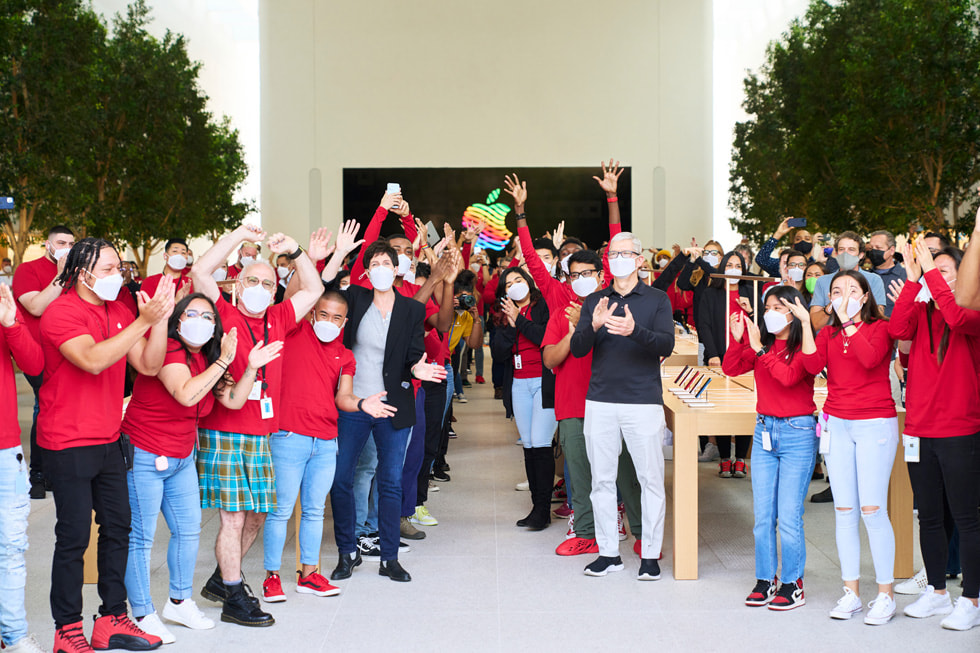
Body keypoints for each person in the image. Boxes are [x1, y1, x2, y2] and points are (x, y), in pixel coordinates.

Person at [39, 237, 174, 652]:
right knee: (74, 536)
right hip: (67, 441)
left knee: (119, 528)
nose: (120, 276)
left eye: (120, 268)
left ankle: (112, 618)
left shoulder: (118, 309)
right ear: (83, 273)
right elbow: (93, 360)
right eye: (111, 269)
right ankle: (66, 629)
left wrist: (161, 317)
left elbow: (149, 365)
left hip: (109, 439)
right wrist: (141, 320)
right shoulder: (60, 312)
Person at [122, 293, 280, 643]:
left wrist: (250, 366)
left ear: (215, 327)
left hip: (181, 457)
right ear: (177, 321)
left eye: (208, 316)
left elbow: (234, 400)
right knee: (142, 537)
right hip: (145, 453)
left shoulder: (208, 358)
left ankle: (179, 600)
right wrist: (225, 360)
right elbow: (187, 394)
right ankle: (143, 612)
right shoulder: (171, 350)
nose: (200, 321)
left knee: (188, 531)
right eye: (191, 313)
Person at [191, 223, 326, 627]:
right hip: (225, 427)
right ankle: (234, 595)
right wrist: (235, 238)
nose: (259, 288)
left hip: (262, 431)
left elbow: (315, 290)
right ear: (237, 283)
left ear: (274, 290)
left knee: (257, 514)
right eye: (252, 280)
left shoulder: (280, 316)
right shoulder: (224, 311)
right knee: (233, 516)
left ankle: (221, 578)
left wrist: (296, 251)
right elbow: (200, 272)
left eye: (268, 283)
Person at [320, 227, 446, 584]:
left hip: (393, 405)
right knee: (342, 478)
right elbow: (325, 292)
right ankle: (347, 552)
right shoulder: (356, 299)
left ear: (396, 270)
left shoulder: (410, 308)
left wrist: (417, 367)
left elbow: (411, 353)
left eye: (385, 263)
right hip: (355, 402)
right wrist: (337, 255)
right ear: (367, 270)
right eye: (373, 263)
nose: (379, 268)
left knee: (390, 482)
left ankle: (389, 557)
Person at [262, 290, 389, 601]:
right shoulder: (294, 333)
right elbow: (298, 293)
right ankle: (272, 577)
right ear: (311, 314)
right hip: (289, 436)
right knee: (280, 510)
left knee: (315, 511)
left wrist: (361, 404)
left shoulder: (345, 355)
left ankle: (309, 574)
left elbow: (342, 398)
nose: (329, 322)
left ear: (344, 322)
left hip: (326, 440)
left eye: (336, 317)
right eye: (323, 314)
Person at [570, 231, 674, 580]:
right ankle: (608, 553)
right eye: (612, 254)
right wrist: (595, 324)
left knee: (650, 480)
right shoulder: (595, 300)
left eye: (624, 253)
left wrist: (635, 331)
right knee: (601, 480)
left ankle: (650, 555)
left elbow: (666, 344)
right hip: (599, 400)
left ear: (639, 259)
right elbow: (580, 348)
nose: (617, 259)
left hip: (643, 401)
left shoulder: (657, 299)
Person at [887, 241, 980, 630]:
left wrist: (931, 277)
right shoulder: (923, 308)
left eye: (943, 269)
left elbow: (957, 317)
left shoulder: (971, 313)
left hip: (960, 428)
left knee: (967, 517)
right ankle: (938, 593)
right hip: (918, 429)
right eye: (932, 267)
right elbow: (897, 330)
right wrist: (912, 282)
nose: (934, 274)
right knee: (928, 517)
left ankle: (972, 600)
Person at [803, 270, 898, 625]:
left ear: (866, 297)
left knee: (872, 510)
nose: (844, 295)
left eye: (852, 290)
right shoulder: (827, 332)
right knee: (844, 511)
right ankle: (852, 593)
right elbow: (812, 367)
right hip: (837, 423)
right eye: (837, 290)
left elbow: (871, 359)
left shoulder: (881, 328)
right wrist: (805, 324)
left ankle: (885, 594)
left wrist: (848, 324)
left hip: (874, 422)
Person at [723, 286, 818, 611]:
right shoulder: (761, 344)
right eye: (768, 306)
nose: (771, 312)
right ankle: (766, 578)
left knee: (789, 516)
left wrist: (759, 350)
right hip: (765, 430)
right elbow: (731, 368)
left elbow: (792, 377)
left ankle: (792, 583)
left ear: (795, 310)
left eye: (779, 306)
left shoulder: (803, 345)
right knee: (763, 516)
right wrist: (738, 340)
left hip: (798, 432)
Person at [12, 224, 75, 499]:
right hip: (36, 353)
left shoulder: (77, 274)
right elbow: (35, 306)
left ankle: (55, 470)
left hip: (69, 351)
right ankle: (38, 473)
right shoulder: (28, 270)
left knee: (61, 408)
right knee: (44, 404)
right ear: (48, 245)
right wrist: (61, 276)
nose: (67, 247)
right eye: (62, 242)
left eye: (72, 243)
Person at [491, 266, 556, 531]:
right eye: (508, 284)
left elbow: (544, 338)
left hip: (544, 381)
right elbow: (498, 353)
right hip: (518, 383)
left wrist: (520, 320)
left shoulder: (543, 306)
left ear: (528, 282)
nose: (515, 285)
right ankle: (536, 506)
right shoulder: (503, 315)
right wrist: (509, 322)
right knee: (529, 445)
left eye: (518, 280)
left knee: (541, 443)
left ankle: (543, 509)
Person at [0, 283, 45, 653]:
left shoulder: (4, 312)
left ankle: (14, 635)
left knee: (12, 546)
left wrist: (12, 323)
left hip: (6, 453)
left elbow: (35, 365)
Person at [698, 251, 755, 477]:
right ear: (722, 268)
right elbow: (704, 325)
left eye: (738, 265)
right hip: (719, 356)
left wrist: (750, 309)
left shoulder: (750, 291)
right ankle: (724, 457)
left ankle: (740, 458)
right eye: (729, 264)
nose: (733, 269)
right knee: (721, 407)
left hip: (746, 358)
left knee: (744, 406)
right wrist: (712, 354)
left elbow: (760, 324)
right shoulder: (711, 293)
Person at [808, 232, 887, 331]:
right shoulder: (822, 281)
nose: (846, 254)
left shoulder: (874, 280)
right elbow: (814, 324)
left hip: (861, 339)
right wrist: (834, 303)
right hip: (830, 340)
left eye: (851, 249)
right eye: (842, 249)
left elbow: (878, 318)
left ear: (861, 255)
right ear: (836, 254)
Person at [868, 230, 906, 318]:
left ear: (892, 250)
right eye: (871, 248)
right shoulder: (864, 277)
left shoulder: (906, 276)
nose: (873, 252)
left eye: (878, 248)